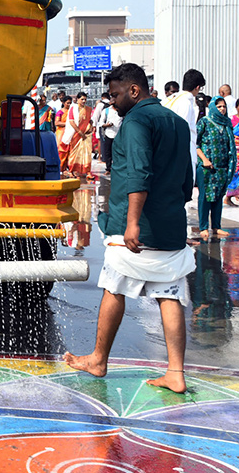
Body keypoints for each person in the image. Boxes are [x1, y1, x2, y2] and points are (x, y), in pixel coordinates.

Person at [63, 62, 195, 393]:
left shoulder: (136, 121)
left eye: (117, 94)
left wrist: (133, 223)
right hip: (170, 224)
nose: (113, 101)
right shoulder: (178, 123)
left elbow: (138, 173)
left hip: (134, 226)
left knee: (113, 287)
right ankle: (175, 372)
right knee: (169, 293)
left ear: (134, 90)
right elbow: (187, 178)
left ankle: (98, 359)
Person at [195, 97, 235, 242]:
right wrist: (204, 160)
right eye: (218, 107)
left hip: (222, 167)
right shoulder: (204, 122)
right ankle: (203, 227)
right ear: (212, 107)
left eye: (224, 106)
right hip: (206, 168)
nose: (222, 109)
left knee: (218, 197)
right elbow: (195, 143)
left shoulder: (227, 124)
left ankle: (216, 226)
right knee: (205, 197)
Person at [163, 68, 203, 176]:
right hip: (182, 153)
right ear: (197, 87)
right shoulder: (186, 103)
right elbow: (181, 131)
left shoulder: (169, 99)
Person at [63, 92, 94, 179]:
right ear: (77, 100)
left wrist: (91, 125)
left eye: (85, 99)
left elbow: (89, 120)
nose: (84, 101)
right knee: (74, 153)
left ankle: (88, 171)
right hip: (76, 134)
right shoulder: (73, 109)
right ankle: (72, 170)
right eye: (82, 99)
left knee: (87, 153)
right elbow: (71, 121)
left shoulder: (88, 109)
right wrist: (80, 132)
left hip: (86, 134)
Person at [96, 95, 120, 166]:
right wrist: (107, 125)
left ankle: (117, 166)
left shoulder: (121, 111)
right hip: (109, 134)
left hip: (119, 135)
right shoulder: (106, 111)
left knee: (117, 152)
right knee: (108, 152)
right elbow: (101, 123)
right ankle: (108, 167)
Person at [54, 96, 71, 161]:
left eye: (70, 103)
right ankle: (61, 166)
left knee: (69, 149)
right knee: (61, 149)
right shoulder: (60, 112)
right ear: (63, 103)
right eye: (67, 103)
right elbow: (57, 123)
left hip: (69, 132)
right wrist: (68, 124)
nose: (69, 105)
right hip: (61, 133)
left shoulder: (71, 112)